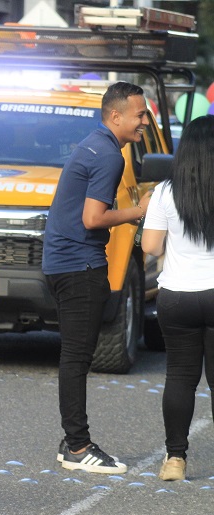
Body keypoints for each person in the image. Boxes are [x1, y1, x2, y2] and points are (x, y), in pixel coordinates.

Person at [43, 81, 152, 474]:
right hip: (79, 265)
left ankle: (70, 441)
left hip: (61, 263)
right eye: (140, 115)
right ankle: (77, 446)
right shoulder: (109, 155)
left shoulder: (92, 142)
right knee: (76, 358)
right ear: (116, 115)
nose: (145, 121)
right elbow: (93, 218)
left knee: (74, 355)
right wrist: (137, 212)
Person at [141, 115, 214, 482]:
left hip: (177, 296)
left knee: (181, 377)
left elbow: (151, 246)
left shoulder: (166, 191)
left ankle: (175, 459)